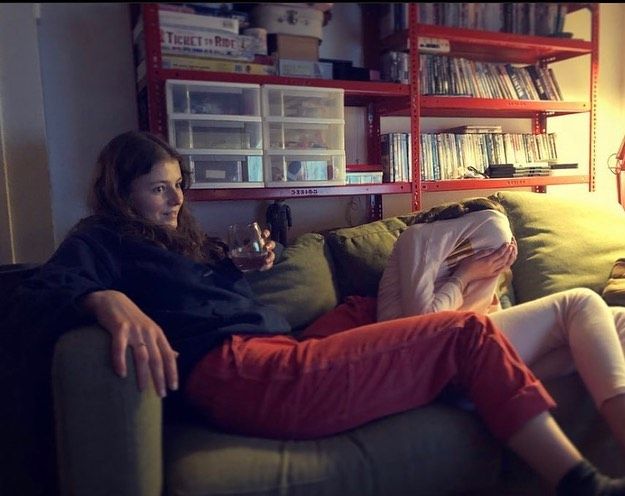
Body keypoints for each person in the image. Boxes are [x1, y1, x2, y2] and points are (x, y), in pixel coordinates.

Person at [12, 131, 625, 496]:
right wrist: (106, 298)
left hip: (270, 351)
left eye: (178, 184)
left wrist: (242, 265)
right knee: (463, 332)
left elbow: (201, 297)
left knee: (415, 322)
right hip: (239, 370)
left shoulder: (173, 243)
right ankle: (582, 484)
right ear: (121, 192)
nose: (177, 198)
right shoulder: (100, 236)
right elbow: (39, 290)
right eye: (158, 188)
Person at [377, 196, 625, 464]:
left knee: (617, 320)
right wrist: (464, 276)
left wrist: (487, 278)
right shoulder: (418, 238)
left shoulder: (470, 260)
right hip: (426, 363)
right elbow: (423, 325)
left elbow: (478, 319)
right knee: (579, 303)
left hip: (471, 355)